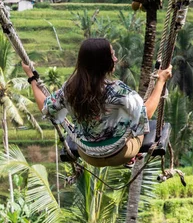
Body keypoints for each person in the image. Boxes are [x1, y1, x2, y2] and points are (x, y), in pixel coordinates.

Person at [23, 38, 172, 167]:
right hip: (121, 153)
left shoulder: (69, 89)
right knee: (137, 119)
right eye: (112, 55)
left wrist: (31, 76)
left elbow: (45, 107)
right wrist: (160, 82)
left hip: (89, 155)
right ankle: (131, 157)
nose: (115, 59)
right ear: (103, 62)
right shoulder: (117, 90)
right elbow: (146, 113)